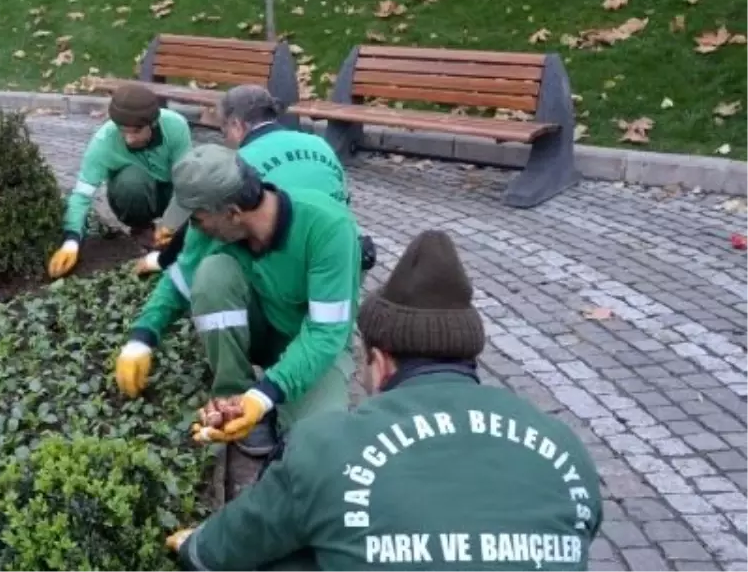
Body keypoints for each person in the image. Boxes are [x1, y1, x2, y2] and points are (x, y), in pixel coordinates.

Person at [166, 230, 604, 571]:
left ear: (380, 361)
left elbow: (226, 548)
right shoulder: (562, 445)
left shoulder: (326, 446)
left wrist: (193, 548)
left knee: (284, 549)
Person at [117, 144, 362, 457]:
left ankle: (265, 404)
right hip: (262, 329)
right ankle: (234, 397)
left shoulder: (328, 227)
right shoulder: (212, 226)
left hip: (312, 346)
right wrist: (141, 338)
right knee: (212, 272)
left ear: (232, 213)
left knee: (319, 441)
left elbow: (326, 333)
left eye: (197, 219)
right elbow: (179, 281)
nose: (193, 227)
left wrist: (265, 395)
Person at [136, 84, 366, 277]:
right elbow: (343, 199)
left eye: (223, 131)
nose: (225, 141)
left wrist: (162, 260)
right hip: (348, 250)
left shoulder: (238, 165)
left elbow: (198, 231)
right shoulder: (318, 144)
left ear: (236, 125)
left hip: (295, 260)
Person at [47, 83, 192, 279]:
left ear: (153, 123)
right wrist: (71, 242)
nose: (128, 139)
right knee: (131, 181)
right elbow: (82, 193)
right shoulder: (104, 141)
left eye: (135, 132)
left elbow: (186, 182)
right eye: (122, 131)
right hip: (134, 193)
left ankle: (170, 234)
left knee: (201, 188)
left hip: (172, 189)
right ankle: (141, 228)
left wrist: (171, 223)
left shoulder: (176, 126)